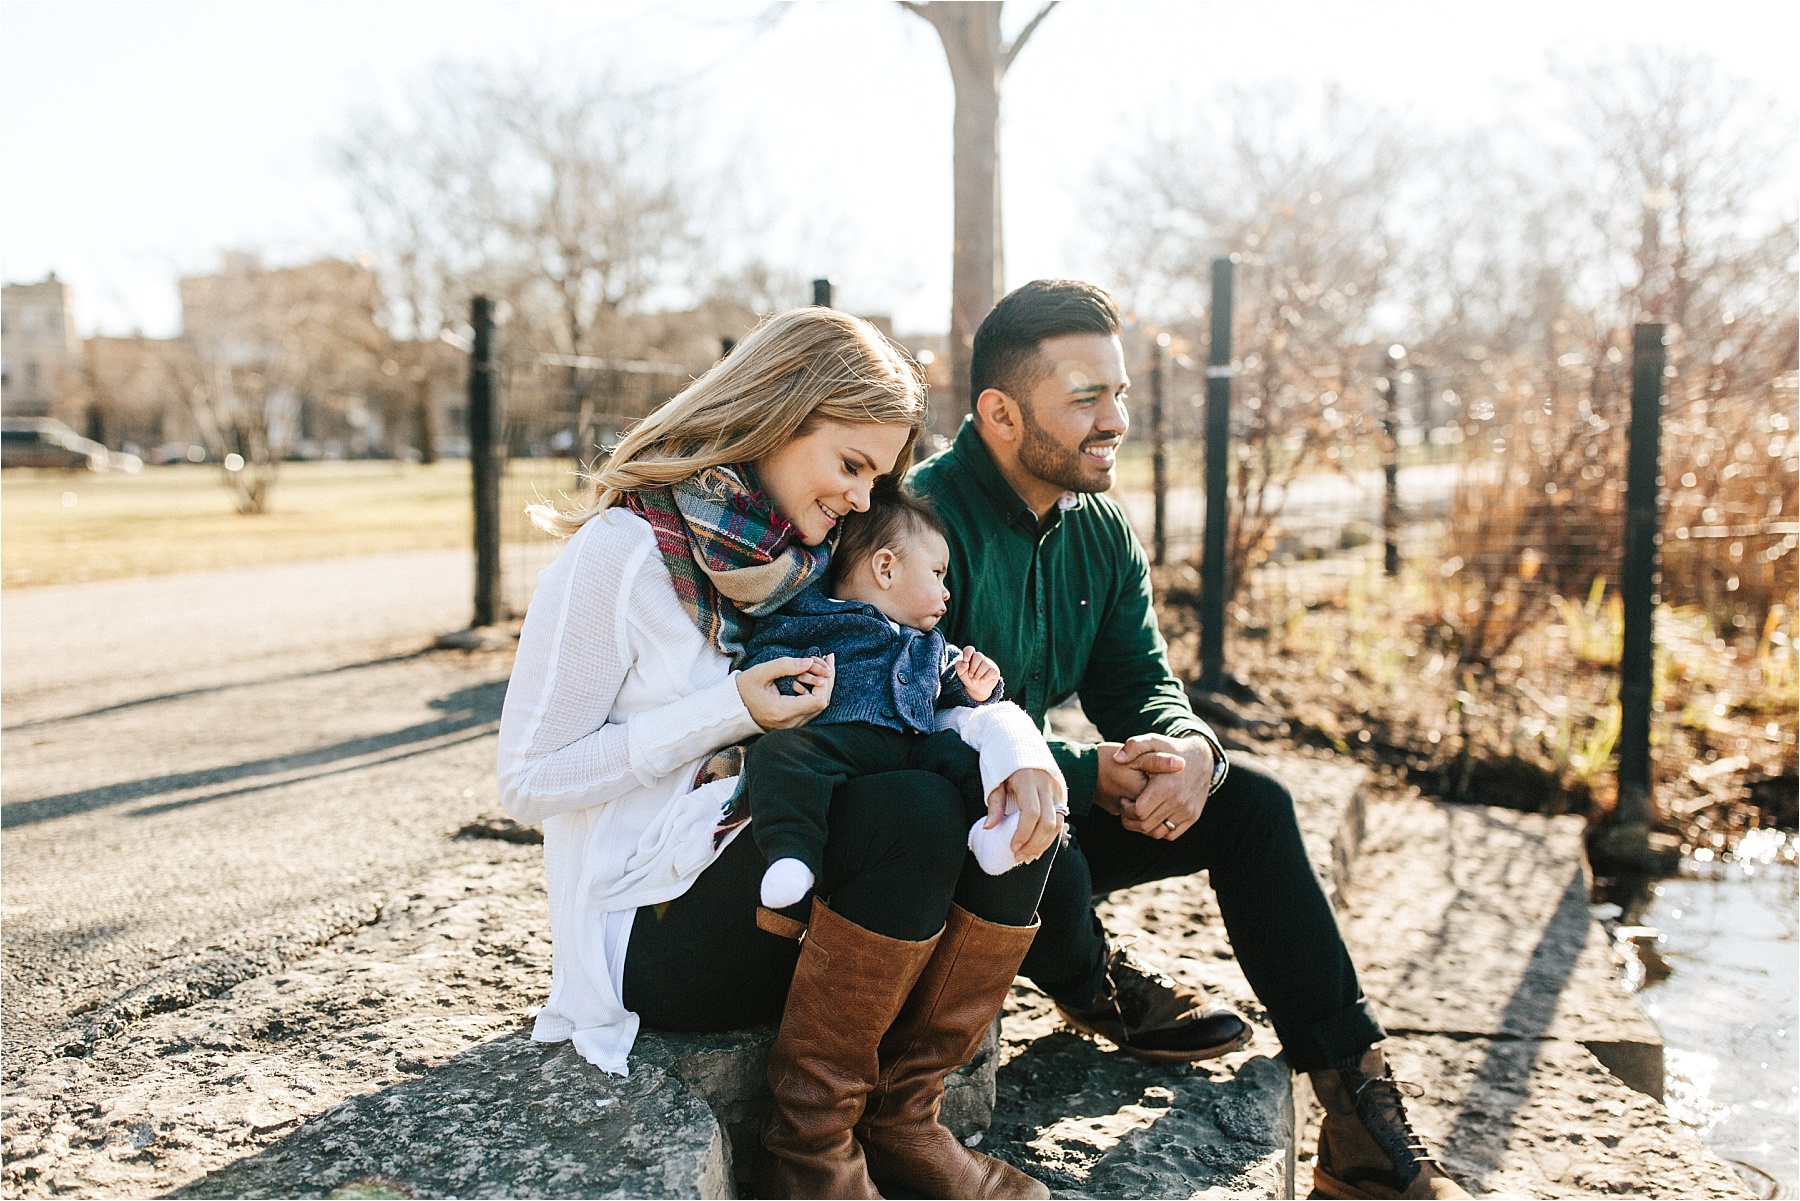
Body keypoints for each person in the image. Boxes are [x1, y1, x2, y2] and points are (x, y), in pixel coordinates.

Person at [909, 279, 1470, 1201]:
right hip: (958, 834)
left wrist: (1189, 751)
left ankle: (1358, 1116)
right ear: (1001, 413)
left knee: (1253, 806)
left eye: (1120, 392)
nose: (1116, 418)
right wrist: (1091, 775)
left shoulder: (1097, 525)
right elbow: (919, 736)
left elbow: (1142, 686)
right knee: (1056, 855)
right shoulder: (922, 520)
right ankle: (1099, 986)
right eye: (1086, 397)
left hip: (1046, 807)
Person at [497, 306, 1061, 1201]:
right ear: (777, 410)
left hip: (790, 896)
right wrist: (727, 709)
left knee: (1005, 800)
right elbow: (528, 778)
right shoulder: (622, 554)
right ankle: (809, 1157)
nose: (864, 499)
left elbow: (898, 700)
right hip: (658, 929)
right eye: (850, 464)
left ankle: (904, 1122)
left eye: (878, 477)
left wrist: (1017, 745)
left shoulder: (814, 558)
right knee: (911, 807)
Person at [740, 488, 1056, 911]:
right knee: (779, 755)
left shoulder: (931, 644)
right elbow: (768, 654)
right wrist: (790, 682)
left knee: (969, 763)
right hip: (843, 740)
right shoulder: (815, 618)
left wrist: (978, 687)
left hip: (915, 744)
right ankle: (792, 855)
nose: (947, 592)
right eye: (937, 573)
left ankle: (992, 832)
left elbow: (950, 688)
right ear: (885, 568)